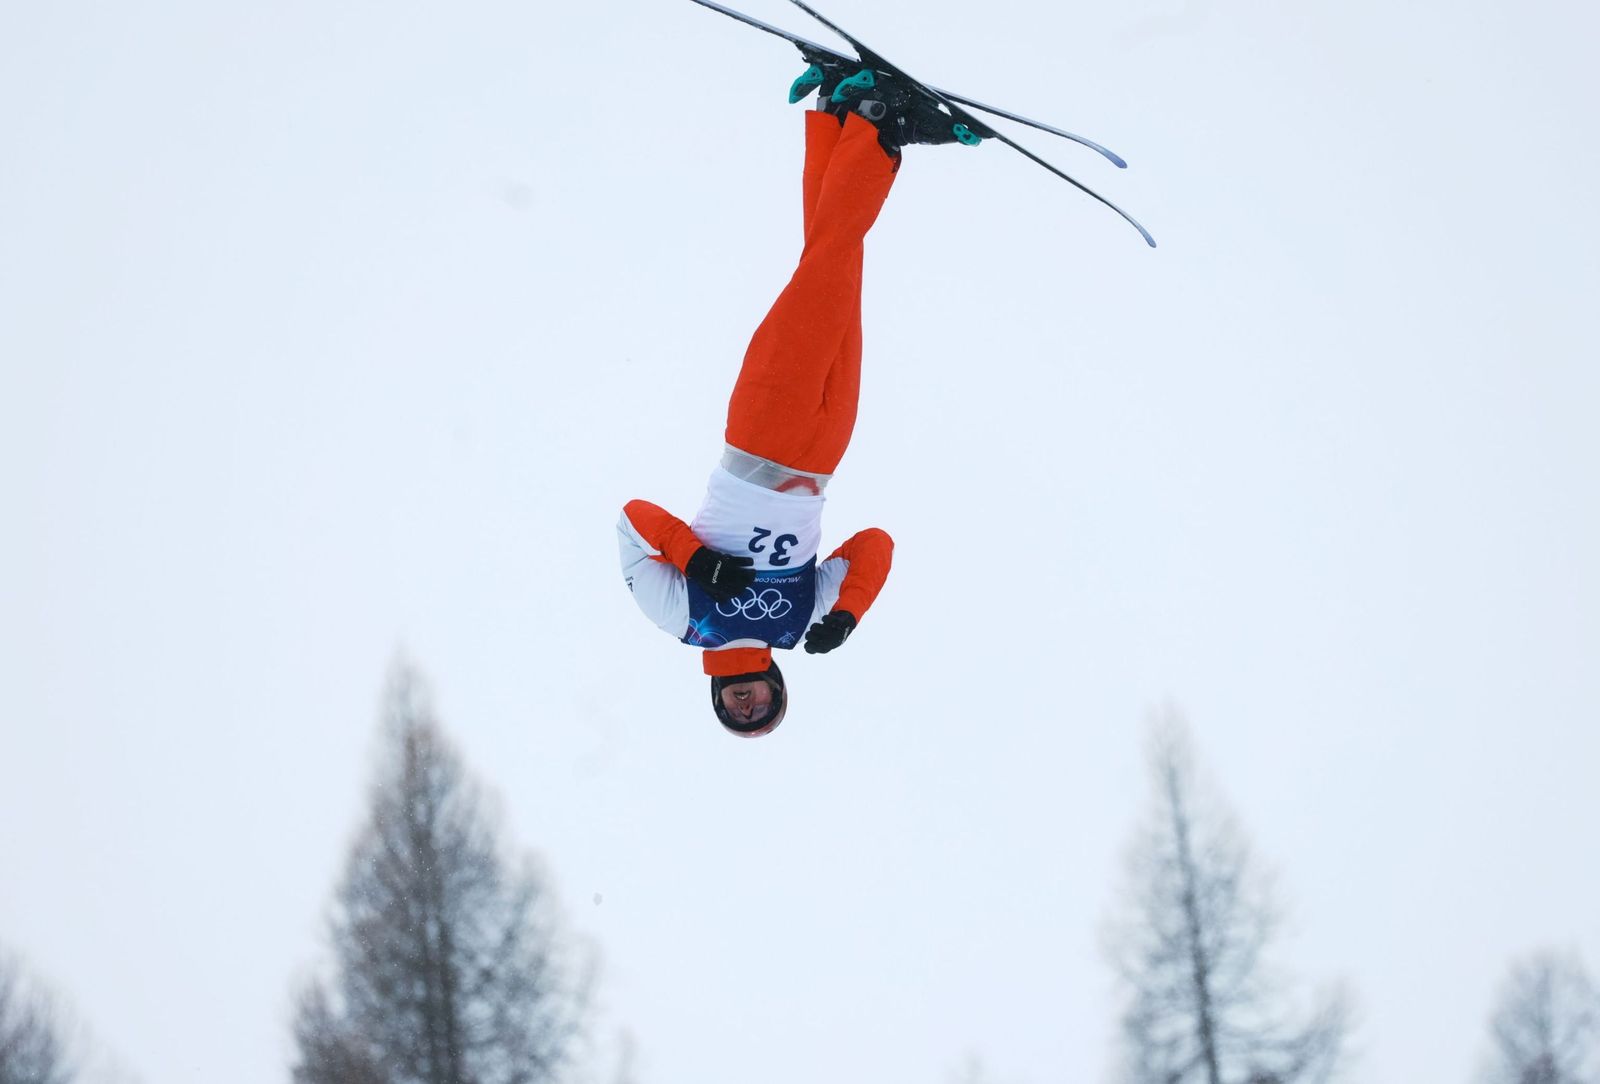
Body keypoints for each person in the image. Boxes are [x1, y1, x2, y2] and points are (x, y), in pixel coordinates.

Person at [617, 64, 971, 737]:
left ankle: (877, 124)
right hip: (824, 450)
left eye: (736, 712)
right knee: (836, 268)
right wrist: (847, 614)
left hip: (760, 432)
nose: (746, 707)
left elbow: (632, 525)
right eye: (761, 712)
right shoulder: (800, 622)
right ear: (779, 692)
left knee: (830, 266)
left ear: (717, 698)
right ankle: (838, 117)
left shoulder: (683, 620)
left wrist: (694, 560)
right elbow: (875, 545)